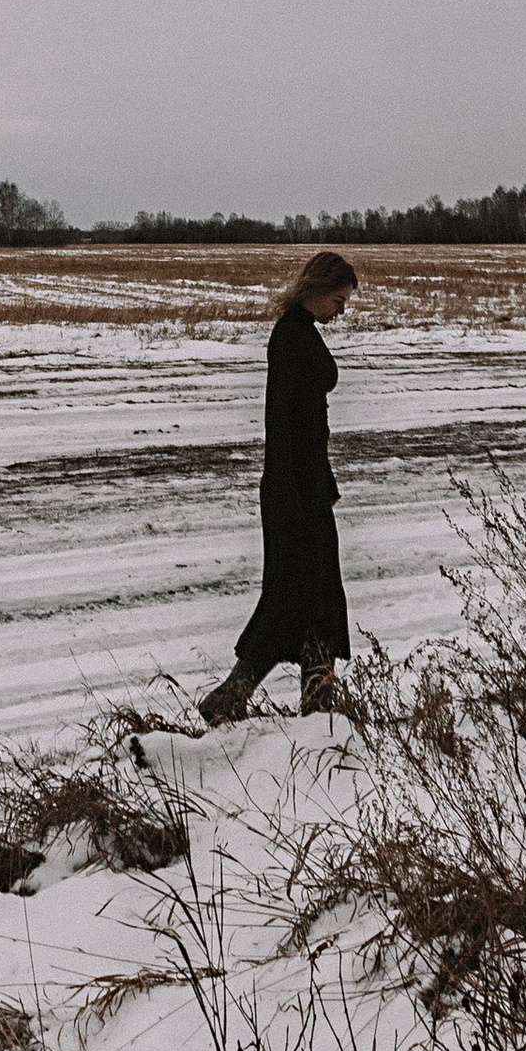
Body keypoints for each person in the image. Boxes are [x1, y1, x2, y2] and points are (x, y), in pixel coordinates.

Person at [200, 248, 358, 722]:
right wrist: (293, 493)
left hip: (304, 484)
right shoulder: (291, 336)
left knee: (311, 597)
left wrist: (322, 481)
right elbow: (282, 423)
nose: (341, 311)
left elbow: (308, 424)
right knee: (300, 596)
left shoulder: (300, 331)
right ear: (314, 290)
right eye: (338, 299)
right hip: (294, 490)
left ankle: (315, 704)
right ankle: (245, 697)